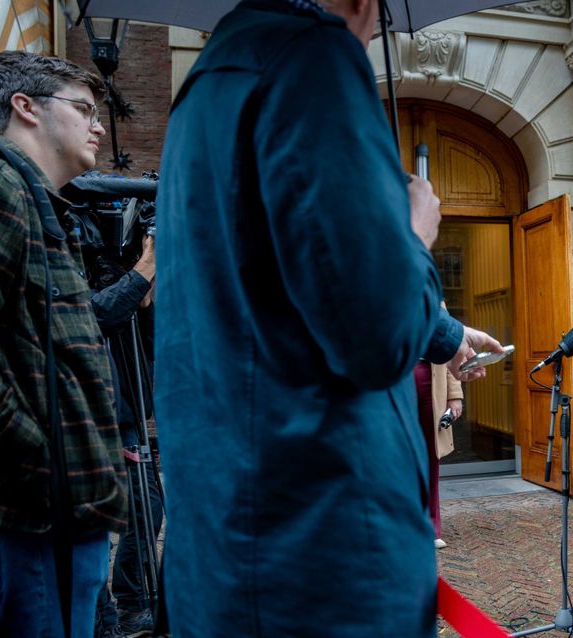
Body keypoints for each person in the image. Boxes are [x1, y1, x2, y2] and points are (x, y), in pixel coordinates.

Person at [154, 0, 501, 636]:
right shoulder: (312, 56)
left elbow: (294, 283)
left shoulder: (210, 79)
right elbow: (374, 334)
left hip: (233, 541)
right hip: (320, 546)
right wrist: (415, 236)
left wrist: (447, 337)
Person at [0, 50, 126, 637]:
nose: (98, 125)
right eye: (83, 109)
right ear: (25, 108)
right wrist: (35, 454)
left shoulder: (34, 200)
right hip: (19, 522)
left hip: (51, 518)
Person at [80, 233, 162, 637]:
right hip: (86, 417)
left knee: (147, 510)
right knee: (94, 524)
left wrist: (147, 292)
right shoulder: (70, 249)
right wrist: (143, 269)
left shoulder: (124, 263)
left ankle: (132, 608)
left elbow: (150, 343)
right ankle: (103, 620)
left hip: (126, 415)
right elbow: (93, 317)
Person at [413, 354, 464, 549]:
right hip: (396, 380)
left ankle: (431, 527)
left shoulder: (437, 322)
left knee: (430, 458)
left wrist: (455, 395)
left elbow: (450, 354)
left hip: (433, 381)